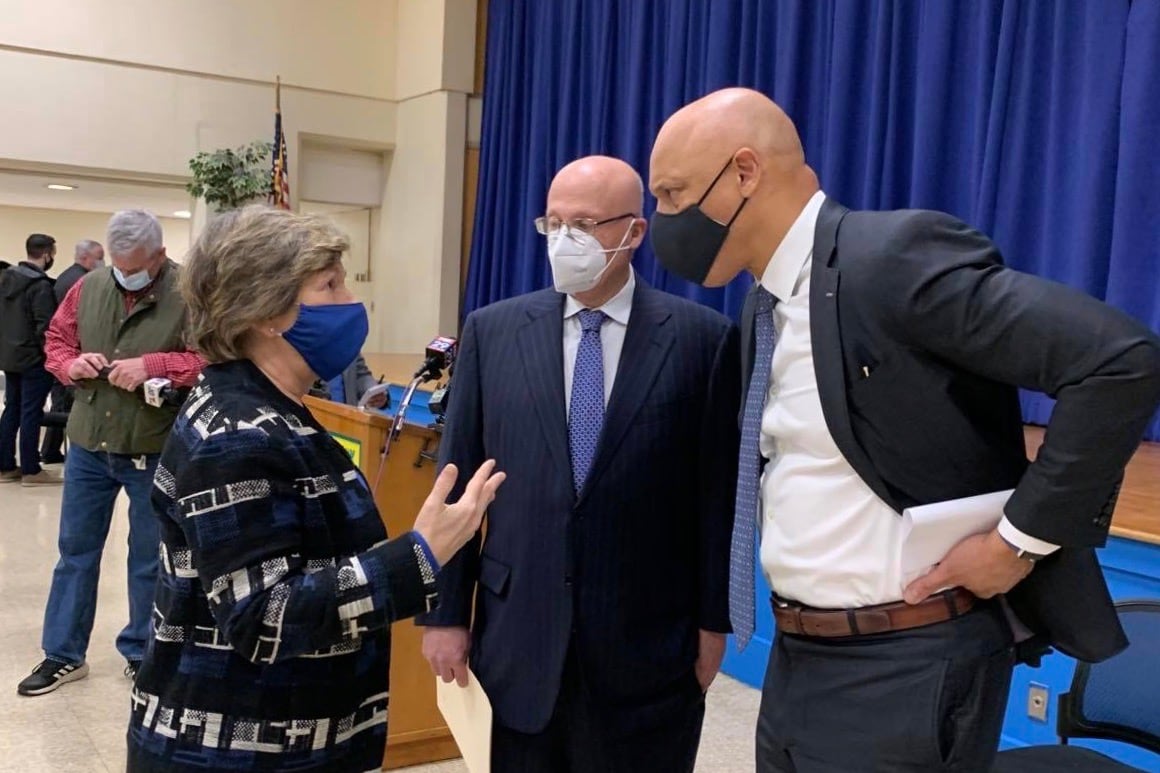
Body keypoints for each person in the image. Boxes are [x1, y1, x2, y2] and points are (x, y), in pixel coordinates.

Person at [647, 87, 1160, 772]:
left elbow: (1117, 361)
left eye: (675, 195)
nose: (662, 221)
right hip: (801, 657)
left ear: (744, 173)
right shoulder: (761, 313)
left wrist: (1018, 541)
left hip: (909, 664)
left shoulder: (888, 259)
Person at [124, 205, 505, 772]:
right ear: (265, 312)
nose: (352, 299)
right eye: (330, 284)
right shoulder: (238, 433)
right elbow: (265, 616)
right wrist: (421, 554)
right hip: (237, 749)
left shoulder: (272, 407)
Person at [419, 156, 740, 772]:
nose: (565, 240)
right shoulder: (493, 332)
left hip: (647, 639)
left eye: (586, 224)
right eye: (553, 223)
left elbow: (713, 499)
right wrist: (444, 614)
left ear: (634, 232)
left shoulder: (703, 339)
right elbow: (455, 487)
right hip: (516, 636)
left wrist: (711, 622)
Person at [18, 211, 204, 696]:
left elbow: (213, 358)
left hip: (152, 445)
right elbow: (55, 342)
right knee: (75, 553)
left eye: (135, 267)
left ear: (160, 256)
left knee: (148, 556)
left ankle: (143, 652)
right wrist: (71, 365)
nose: (125, 275)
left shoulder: (192, 293)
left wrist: (153, 364)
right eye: (117, 265)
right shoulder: (88, 287)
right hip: (88, 443)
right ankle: (63, 654)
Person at [0, 233, 60, 486]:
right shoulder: (40, 286)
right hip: (33, 359)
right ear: (46, 254)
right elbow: (44, 327)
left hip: (8, 356)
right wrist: (52, 358)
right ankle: (31, 470)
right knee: (31, 412)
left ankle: (4, 466)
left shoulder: (5, 280)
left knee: (11, 409)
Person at [40, 239, 107, 464]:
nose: (103, 262)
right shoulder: (83, 282)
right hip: (73, 357)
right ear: (85, 257)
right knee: (64, 406)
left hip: (66, 356)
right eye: (99, 256)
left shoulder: (65, 277)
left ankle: (50, 450)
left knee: (60, 402)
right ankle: (52, 451)